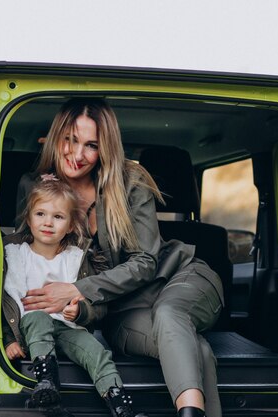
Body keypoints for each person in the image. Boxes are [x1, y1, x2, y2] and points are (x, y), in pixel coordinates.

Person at [15, 98, 224, 417]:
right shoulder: (35, 186)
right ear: (57, 137)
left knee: (170, 314)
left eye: (91, 145)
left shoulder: (130, 183)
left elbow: (145, 263)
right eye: (70, 140)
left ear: (105, 149)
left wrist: (77, 289)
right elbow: (22, 257)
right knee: (196, 349)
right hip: (122, 307)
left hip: (177, 276)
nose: (77, 154)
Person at [2, 178, 146, 417]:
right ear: (28, 219)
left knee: (98, 352)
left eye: (58, 217)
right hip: (30, 332)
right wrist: (8, 340)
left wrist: (81, 312)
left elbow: (97, 306)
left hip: (68, 328)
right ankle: (47, 383)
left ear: (70, 226)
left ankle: (121, 406)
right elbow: (2, 306)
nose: (48, 222)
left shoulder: (77, 259)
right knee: (38, 317)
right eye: (40, 214)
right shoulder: (14, 256)